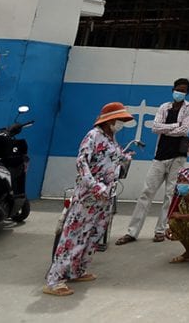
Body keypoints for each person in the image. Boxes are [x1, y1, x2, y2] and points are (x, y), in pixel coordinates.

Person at [44, 102, 136, 297]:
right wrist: (94, 186)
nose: (120, 124)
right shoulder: (93, 136)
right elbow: (82, 163)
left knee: (92, 235)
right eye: (119, 120)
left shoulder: (112, 139)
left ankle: (77, 271)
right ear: (110, 120)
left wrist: (125, 158)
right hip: (88, 197)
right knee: (73, 237)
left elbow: (110, 160)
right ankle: (54, 280)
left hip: (105, 198)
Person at [114, 77, 189, 246]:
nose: (179, 93)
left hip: (178, 156)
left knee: (170, 195)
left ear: (187, 93)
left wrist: (167, 128)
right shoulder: (164, 107)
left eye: (183, 90)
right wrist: (174, 126)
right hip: (160, 155)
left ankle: (161, 230)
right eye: (177, 89)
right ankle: (132, 232)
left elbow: (185, 130)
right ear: (172, 89)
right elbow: (154, 127)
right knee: (146, 193)